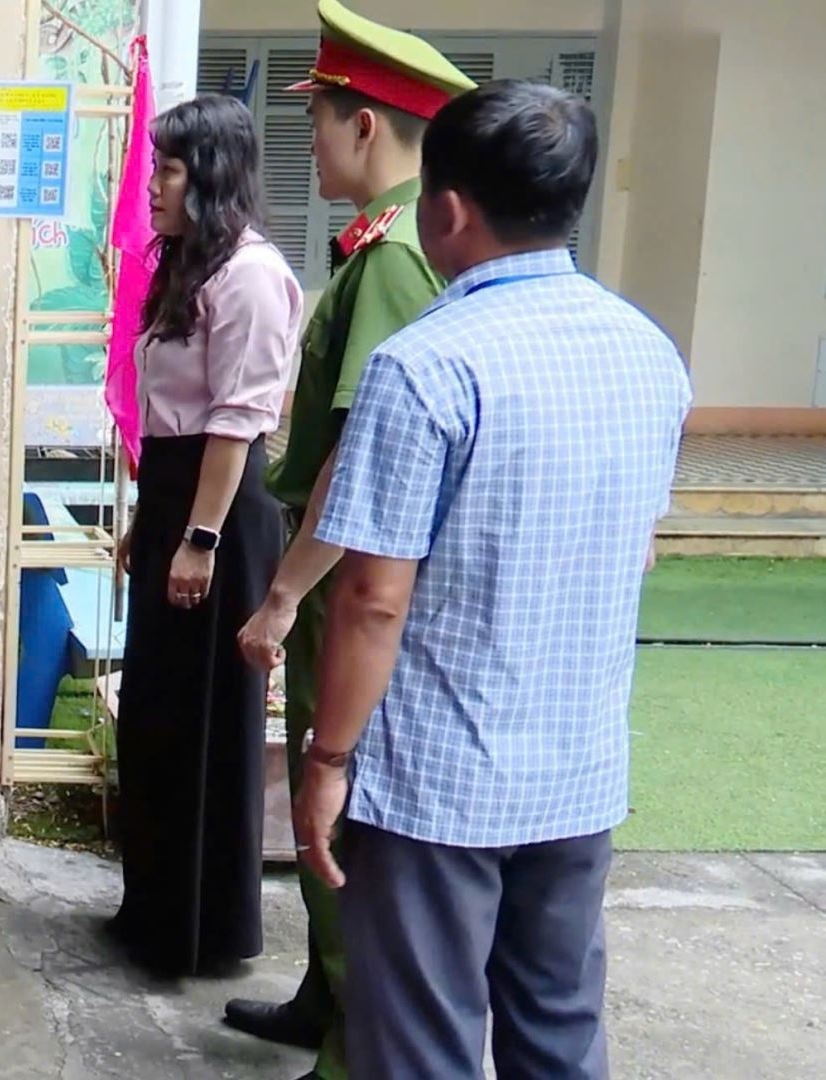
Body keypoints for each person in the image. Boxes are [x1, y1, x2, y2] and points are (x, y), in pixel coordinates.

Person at [296, 79, 690, 1079]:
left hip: (436, 784)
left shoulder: (423, 363)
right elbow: (639, 544)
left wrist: (327, 758)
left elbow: (371, 598)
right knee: (557, 1029)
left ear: (446, 209)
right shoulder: (647, 352)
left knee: (418, 1046)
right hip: (577, 768)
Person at [221, 4, 472, 1075]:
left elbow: (363, 454)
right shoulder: (389, 243)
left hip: (352, 570)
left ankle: (352, 1042)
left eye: (316, 120)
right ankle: (326, 998)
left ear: (362, 125)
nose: (310, 143)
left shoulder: (393, 259)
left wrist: (284, 593)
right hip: (347, 560)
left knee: (340, 807)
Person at [108, 94, 302, 977]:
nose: (153, 186)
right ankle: (154, 911)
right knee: (156, 714)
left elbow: (234, 423)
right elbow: (167, 421)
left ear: (211, 176)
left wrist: (197, 537)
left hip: (217, 511)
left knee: (207, 718)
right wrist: (148, 522)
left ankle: (205, 931)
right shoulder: (190, 266)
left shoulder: (250, 275)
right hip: (176, 499)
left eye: (170, 169)